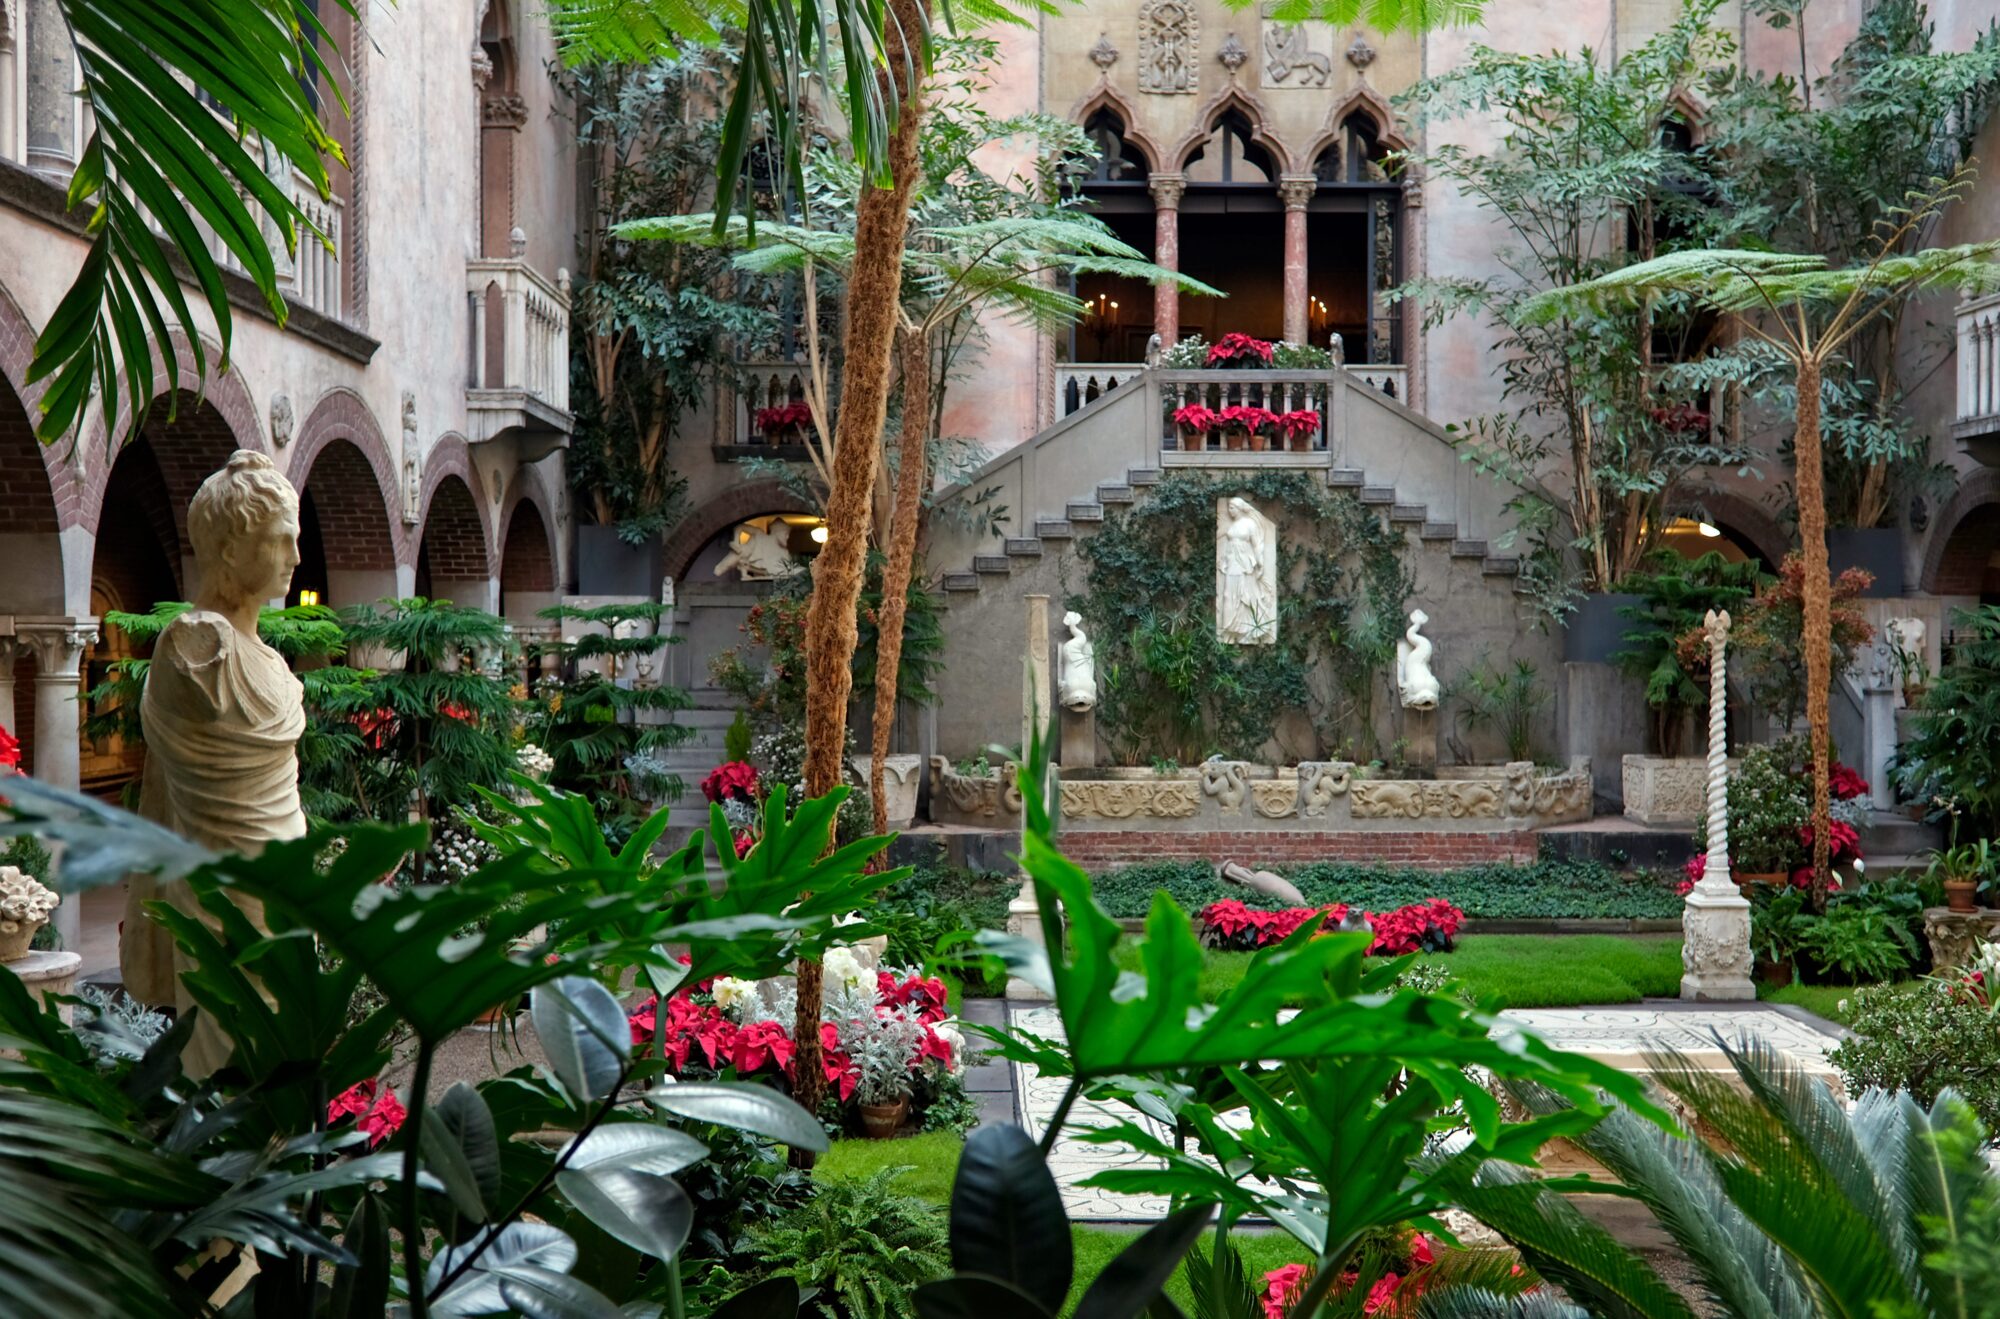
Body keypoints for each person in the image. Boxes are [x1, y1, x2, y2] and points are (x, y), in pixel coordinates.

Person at [122, 451, 306, 1074]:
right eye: (281, 541)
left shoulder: (270, 660)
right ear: (229, 548)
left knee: (281, 1069)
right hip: (225, 901)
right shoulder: (196, 647)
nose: (296, 559)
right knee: (231, 1069)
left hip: (285, 895)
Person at [1217, 496, 1273, 644]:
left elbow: (1257, 545)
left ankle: (1248, 633)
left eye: (1232, 507)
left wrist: (1260, 563)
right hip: (1232, 564)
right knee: (1229, 596)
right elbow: (1228, 545)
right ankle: (1230, 630)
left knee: (1245, 597)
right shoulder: (1232, 525)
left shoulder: (1249, 524)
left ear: (1240, 508)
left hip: (1244, 565)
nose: (1229, 511)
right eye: (1228, 507)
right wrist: (1224, 561)